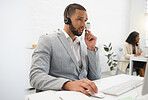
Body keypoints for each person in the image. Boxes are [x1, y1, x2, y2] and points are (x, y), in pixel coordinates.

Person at [29, 3, 101, 96]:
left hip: (83, 95)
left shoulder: (83, 45)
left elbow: (95, 77)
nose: (83, 25)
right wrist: (68, 84)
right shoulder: (48, 40)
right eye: (79, 19)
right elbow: (35, 77)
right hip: (60, 95)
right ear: (67, 19)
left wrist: (91, 48)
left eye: (85, 20)